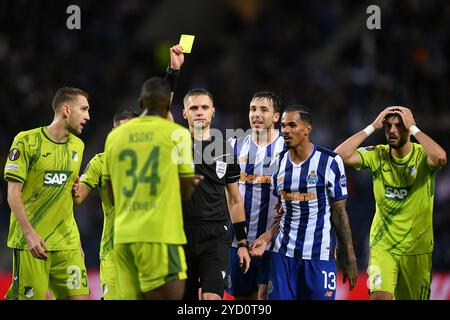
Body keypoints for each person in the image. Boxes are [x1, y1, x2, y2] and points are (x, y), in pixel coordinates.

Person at [334, 106, 447, 300]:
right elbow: (339, 155)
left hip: (417, 249)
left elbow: (440, 158)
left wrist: (414, 128)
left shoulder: (422, 156)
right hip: (383, 246)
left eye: (399, 126)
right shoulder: (379, 154)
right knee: (380, 297)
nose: (392, 130)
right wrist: (371, 127)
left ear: (409, 129)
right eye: (388, 126)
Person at [168, 45, 251, 300]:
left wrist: (243, 243)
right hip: (180, 233)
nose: (200, 112)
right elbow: (160, 109)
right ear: (184, 114)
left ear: (213, 111)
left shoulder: (226, 149)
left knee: (212, 298)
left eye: (204, 107)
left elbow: (234, 199)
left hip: (217, 235)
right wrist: (173, 71)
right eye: (194, 108)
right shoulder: (175, 140)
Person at [102, 77, 197, 300]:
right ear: (168, 107)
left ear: (140, 103)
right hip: (160, 236)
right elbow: (185, 193)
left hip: (124, 237)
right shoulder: (177, 134)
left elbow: (111, 195)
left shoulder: (114, 137)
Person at [250, 105, 358, 300]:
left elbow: (340, 214)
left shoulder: (330, 162)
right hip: (283, 255)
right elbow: (283, 213)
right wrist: (267, 237)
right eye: (283, 126)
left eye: (292, 125)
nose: (285, 130)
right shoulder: (278, 163)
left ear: (308, 129)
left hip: (318, 256)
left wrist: (350, 257)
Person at [3, 87, 91, 300]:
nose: (88, 116)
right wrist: (29, 234)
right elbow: (13, 194)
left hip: (67, 243)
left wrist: (76, 242)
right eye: (84, 109)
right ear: (67, 110)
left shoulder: (78, 146)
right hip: (33, 243)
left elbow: (66, 198)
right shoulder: (26, 141)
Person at [72, 110, 138, 300]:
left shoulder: (149, 162)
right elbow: (78, 197)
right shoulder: (100, 162)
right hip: (112, 250)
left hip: (144, 248)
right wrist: (72, 183)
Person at [227, 91, 285, 300]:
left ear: (276, 117)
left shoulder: (287, 149)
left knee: (265, 299)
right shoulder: (234, 145)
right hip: (238, 242)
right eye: (253, 109)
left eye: (263, 110)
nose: (256, 114)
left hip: (274, 244)